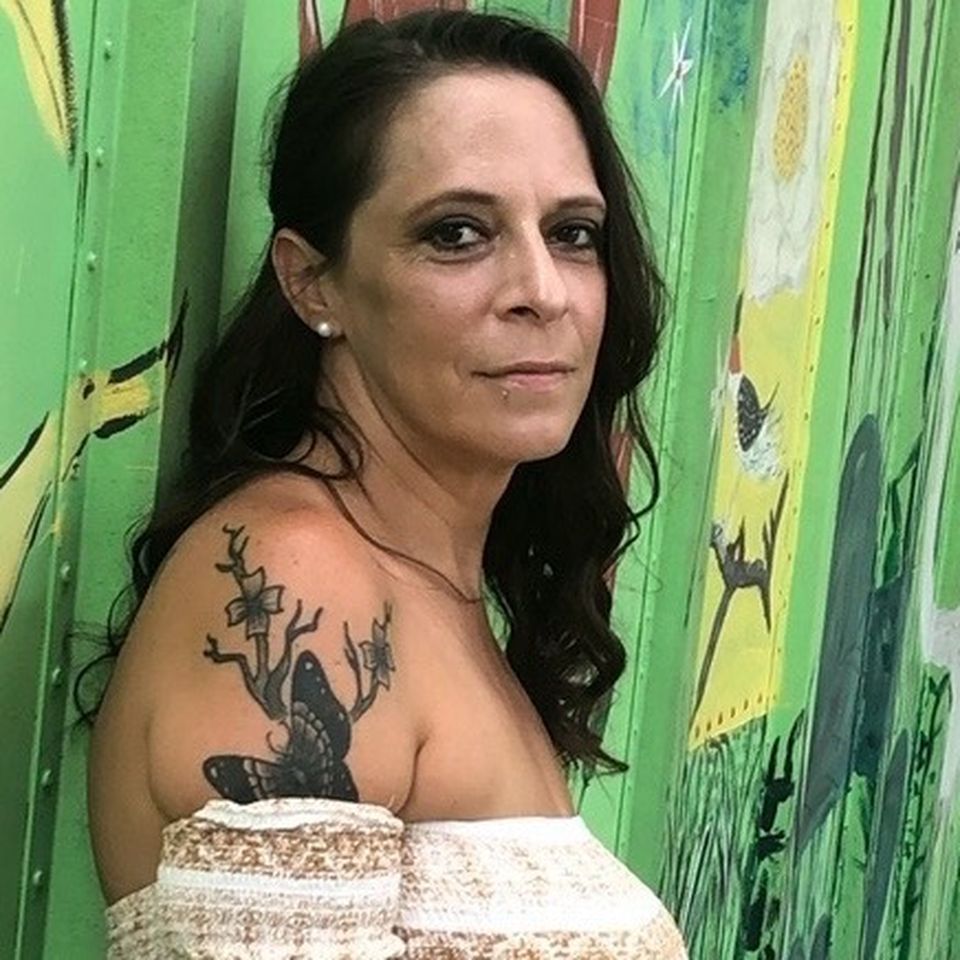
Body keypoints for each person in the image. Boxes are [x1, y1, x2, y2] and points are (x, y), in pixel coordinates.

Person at [88, 9, 685, 957]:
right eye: (458, 233)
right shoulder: (302, 578)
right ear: (312, 282)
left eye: (573, 234)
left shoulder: (433, 588)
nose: (544, 290)